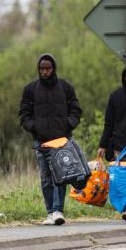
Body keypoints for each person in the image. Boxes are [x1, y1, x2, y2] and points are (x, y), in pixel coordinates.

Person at [19, 53, 82, 226]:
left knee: (61, 176)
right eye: (42, 69)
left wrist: (67, 125)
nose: (45, 72)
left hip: (61, 140)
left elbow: (76, 110)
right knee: (46, 177)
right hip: (41, 142)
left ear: (53, 68)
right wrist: (35, 128)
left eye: (48, 68)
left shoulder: (65, 87)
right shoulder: (30, 89)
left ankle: (58, 211)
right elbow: (24, 114)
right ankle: (49, 212)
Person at [97, 62, 126, 222]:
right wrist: (103, 144)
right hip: (119, 145)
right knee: (123, 179)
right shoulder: (115, 96)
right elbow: (108, 123)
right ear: (124, 78)